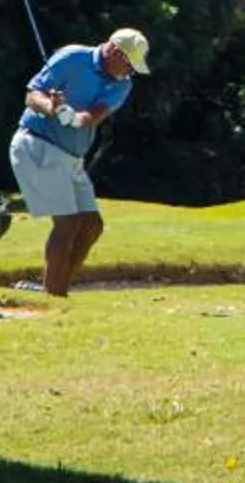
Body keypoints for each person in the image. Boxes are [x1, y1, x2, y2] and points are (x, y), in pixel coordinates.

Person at [9, 26, 150, 297]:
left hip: (72, 157)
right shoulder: (73, 57)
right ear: (113, 51)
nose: (130, 72)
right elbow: (32, 95)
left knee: (91, 225)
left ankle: (56, 289)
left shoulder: (123, 84)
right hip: (37, 144)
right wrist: (51, 107)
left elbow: (93, 116)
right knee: (67, 223)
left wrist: (72, 117)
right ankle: (54, 294)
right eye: (129, 64)